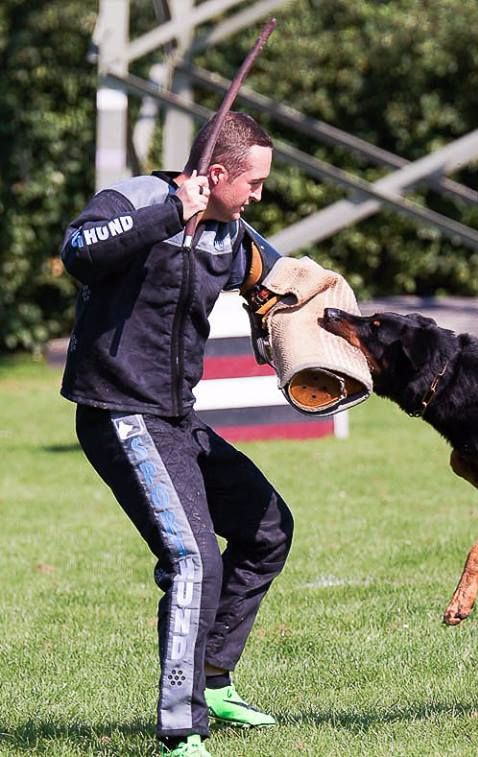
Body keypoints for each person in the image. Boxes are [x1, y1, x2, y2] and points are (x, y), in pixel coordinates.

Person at [59, 112, 293, 757]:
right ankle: (181, 729)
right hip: (119, 412)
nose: (259, 196)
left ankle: (213, 677)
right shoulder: (134, 201)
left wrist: (293, 323)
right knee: (194, 560)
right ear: (215, 174)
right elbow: (78, 252)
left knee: (267, 527)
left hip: (177, 417)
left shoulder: (233, 233)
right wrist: (171, 211)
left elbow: (278, 284)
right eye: (254, 183)